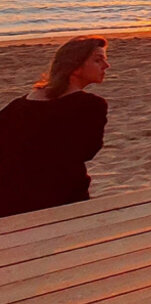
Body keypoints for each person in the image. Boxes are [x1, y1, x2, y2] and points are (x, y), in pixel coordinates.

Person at [0, 36, 110, 217]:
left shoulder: (20, 103)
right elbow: (87, 152)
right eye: (98, 60)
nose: (106, 65)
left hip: (9, 204)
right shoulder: (91, 105)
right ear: (75, 67)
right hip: (60, 202)